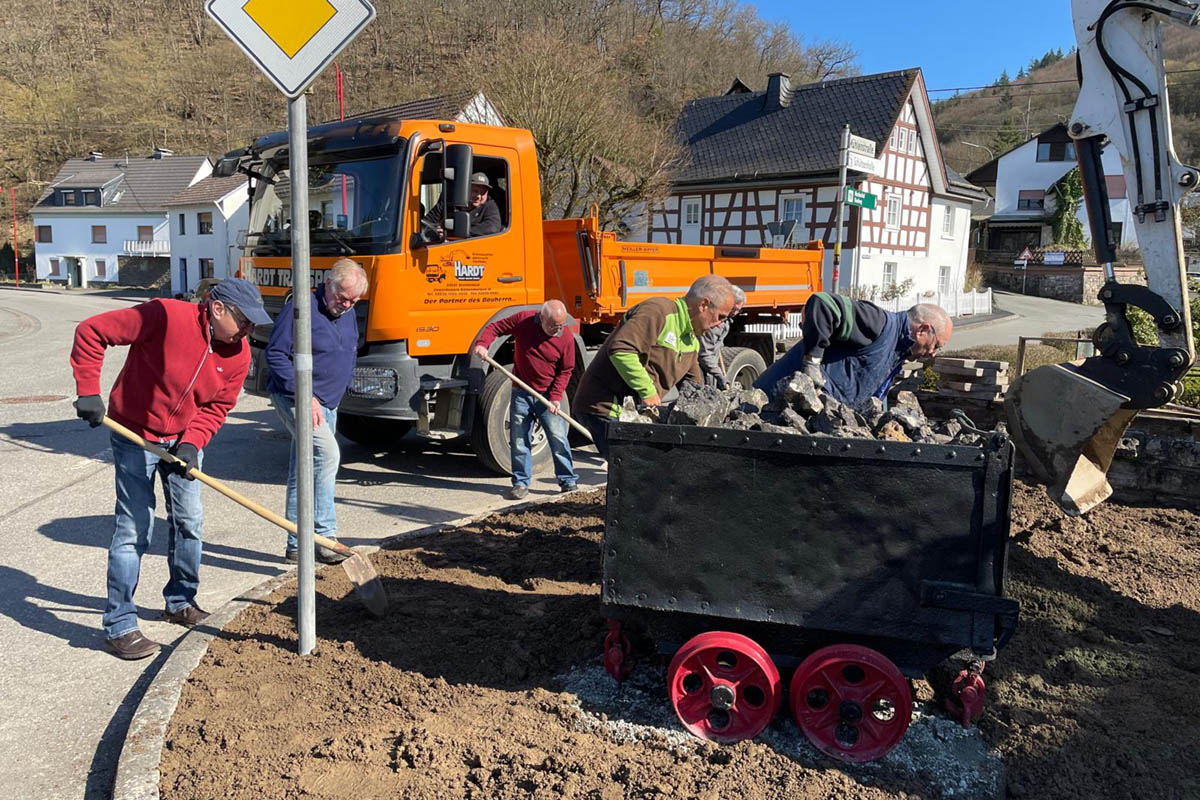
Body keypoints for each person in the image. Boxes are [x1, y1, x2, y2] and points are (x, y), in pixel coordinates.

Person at [70, 277, 270, 660]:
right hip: (133, 434)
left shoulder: (239, 353)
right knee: (134, 528)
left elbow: (217, 406)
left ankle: (180, 602)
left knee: (189, 522)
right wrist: (88, 391)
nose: (248, 330)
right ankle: (119, 625)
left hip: (181, 442)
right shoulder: (164, 316)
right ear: (217, 308)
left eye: (252, 324)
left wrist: (193, 442)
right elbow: (92, 332)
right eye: (244, 320)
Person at [265, 258, 369, 564]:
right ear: (328, 284)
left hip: (328, 402)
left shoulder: (348, 312)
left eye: (353, 301)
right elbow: (276, 354)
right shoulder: (301, 309)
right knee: (327, 456)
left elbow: (348, 348)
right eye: (342, 297)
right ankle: (325, 538)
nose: (346, 305)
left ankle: (296, 543)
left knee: (305, 470)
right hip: (297, 398)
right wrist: (304, 394)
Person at [574, 274, 736, 459]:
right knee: (632, 469)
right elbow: (621, 350)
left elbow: (694, 389)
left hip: (632, 412)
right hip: (605, 406)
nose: (719, 325)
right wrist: (648, 391)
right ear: (704, 305)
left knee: (646, 468)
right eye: (720, 317)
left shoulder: (691, 341)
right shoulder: (659, 311)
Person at [755, 293, 952, 410]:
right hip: (768, 407)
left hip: (800, 420)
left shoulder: (896, 353)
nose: (933, 353)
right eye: (936, 345)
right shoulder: (878, 323)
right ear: (923, 330)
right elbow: (823, 303)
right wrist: (812, 363)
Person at [473, 300, 577, 500]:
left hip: (547, 396)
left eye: (560, 326)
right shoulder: (524, 321)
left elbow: (566, 370)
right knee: (519, 440)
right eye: (553, 326)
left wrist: (556, 397)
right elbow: (495, 327)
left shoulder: (565, 337)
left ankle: (567, 480)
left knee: (558, 438)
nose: (557, 330)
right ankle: (521, 483)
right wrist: (483, 344)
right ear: (542, 318)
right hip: (521, 392)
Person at [422, 171, 502, 240]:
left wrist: (453, 233)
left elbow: (492, 228)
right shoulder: (448, 203)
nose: (478, 196)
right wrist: (438, 231)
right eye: (475, 191)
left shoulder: (489, 205)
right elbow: (424, 224)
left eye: (483, 193)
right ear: (465, 190)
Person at [697, 285, 746, 389]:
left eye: (738, 310)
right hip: (700, 368)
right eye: (734, 309)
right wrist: (720, 376)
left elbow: (716, 347)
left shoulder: (725, 320)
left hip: (710, 366)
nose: (735, 313)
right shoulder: (711, 323)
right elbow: (704, 355)